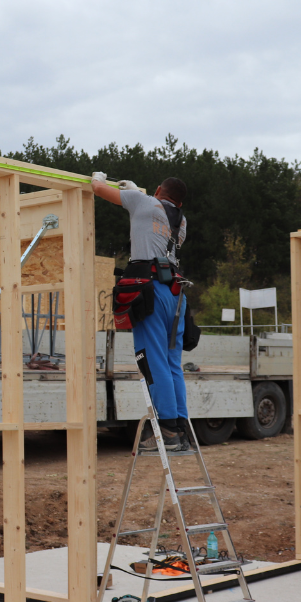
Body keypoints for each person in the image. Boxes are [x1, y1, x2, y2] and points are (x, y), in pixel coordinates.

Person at [90, 175, 189, 450]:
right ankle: (180, 427)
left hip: (152, 293)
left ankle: (168, 431)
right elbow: (157, 223)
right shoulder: (181, 222)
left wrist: (98, 178)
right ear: (179, 202)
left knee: (152, 361)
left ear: (157, 190)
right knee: (171, 364)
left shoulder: (142, 202)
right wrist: (136, 194)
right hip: (175, 295)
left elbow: (98, 189)